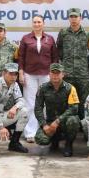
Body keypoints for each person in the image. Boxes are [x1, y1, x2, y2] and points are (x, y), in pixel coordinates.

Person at [17, 15, 58, 143]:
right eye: (34, 22)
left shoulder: (50, 39)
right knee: (30, 104)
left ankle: (44, 131)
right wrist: (21, 73)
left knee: (45, 103)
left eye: (39, 22)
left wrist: (53, 74)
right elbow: (21, 57)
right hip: (29, 74)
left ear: (43, 24)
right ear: (32, 24)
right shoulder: (25, 38)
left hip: (46, 74)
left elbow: (55, 58)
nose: (37, 24)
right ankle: (30, 132)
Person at [57, 7, 89, 118]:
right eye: (71, 17)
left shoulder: (88, 34)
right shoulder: (63, 33)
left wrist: (83, 64)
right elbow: (59, 50)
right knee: (67, 100)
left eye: (76, 17)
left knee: (84, 101)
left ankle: (83, 126)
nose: (74, 19)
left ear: (81, 18)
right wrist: (66, 63)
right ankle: (69, 125)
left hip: (82, 75)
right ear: (68, 18)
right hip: (67, 74)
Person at [34, 63, 80, 157]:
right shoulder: (43, 88)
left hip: (64, 121)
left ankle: (68, 144)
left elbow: (74, 108)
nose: (55, 76)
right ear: (49, 74)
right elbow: (38, 108)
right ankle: (55, 140)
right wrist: (44, 125)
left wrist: (58, 121)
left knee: (73, 121)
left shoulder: (70, 88)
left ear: (63, 74)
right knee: (40, 139)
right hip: (50, 121)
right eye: (53, 73)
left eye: (58, 73)